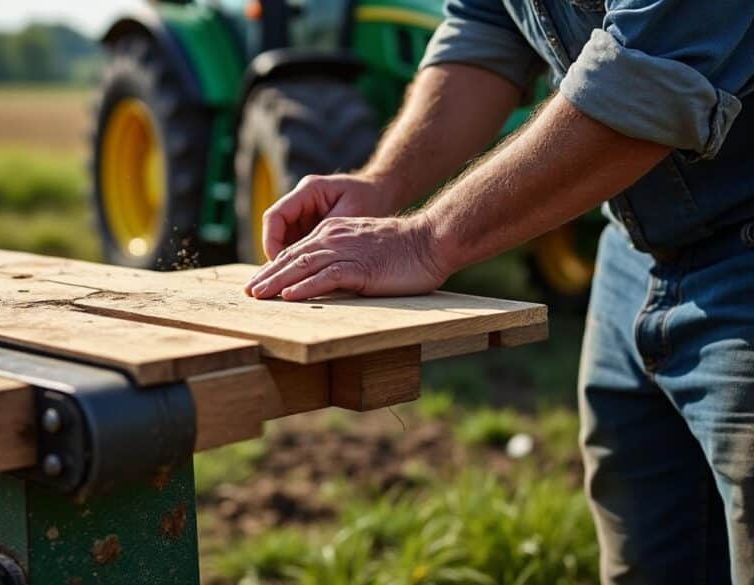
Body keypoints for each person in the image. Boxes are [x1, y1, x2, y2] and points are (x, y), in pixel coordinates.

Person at [243, 1, 754, 583]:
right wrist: (382, 184)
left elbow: (650, 76)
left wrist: (426, 239)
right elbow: (488, 29)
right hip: (633, 247)